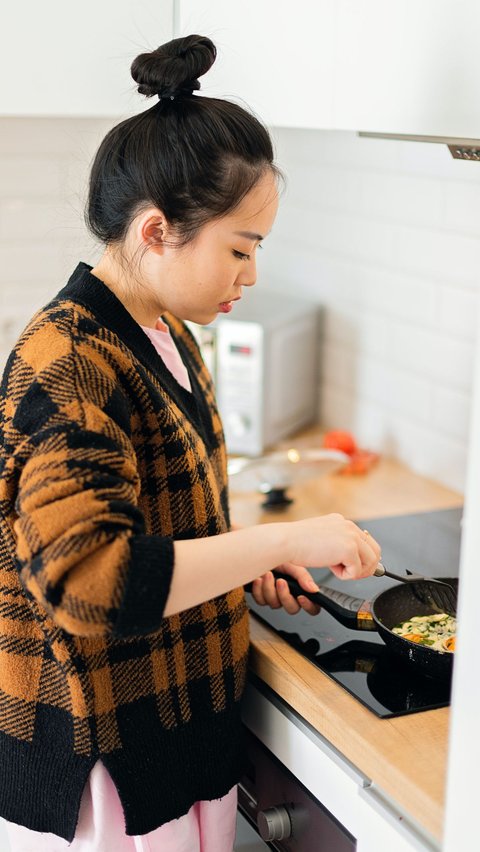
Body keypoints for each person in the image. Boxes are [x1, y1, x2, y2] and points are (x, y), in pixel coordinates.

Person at [0, 34, 381, 852]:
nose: (249, 276)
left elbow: (159, 528)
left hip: (167, 738)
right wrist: (282, 537)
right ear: (156, 230)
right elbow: (90, 581)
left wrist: (241, 559)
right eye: (239, 250)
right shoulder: (67, 360)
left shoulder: (165, 331)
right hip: (105, 768)